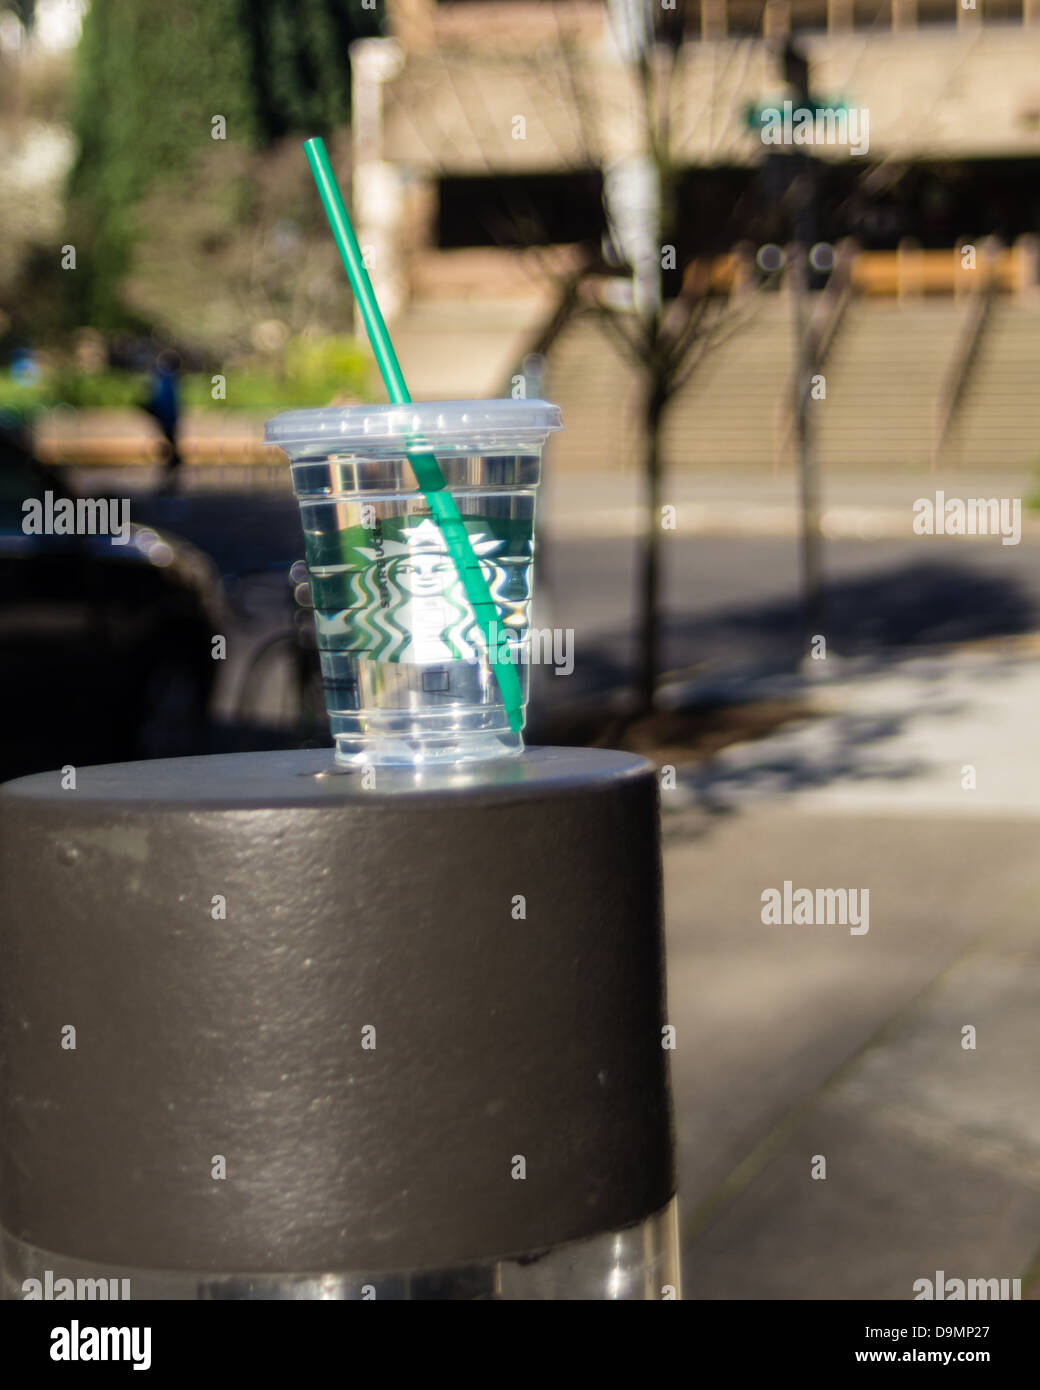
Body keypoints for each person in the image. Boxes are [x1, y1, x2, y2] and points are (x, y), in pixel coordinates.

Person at [141, 349, 183, 492]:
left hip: (166, 418)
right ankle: (169, 478)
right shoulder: (168, 377)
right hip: (168, 417)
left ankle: (169, 479)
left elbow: (163, 399)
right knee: (169, 449)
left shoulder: (164, 377)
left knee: (169, 450)